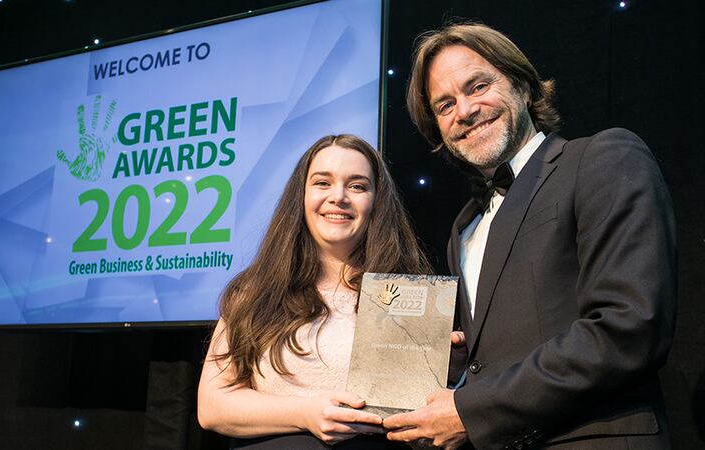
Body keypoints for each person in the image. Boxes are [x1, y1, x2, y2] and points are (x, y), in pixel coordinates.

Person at [384, 23, 677, 449]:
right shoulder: (462, 227)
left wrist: (471, 409)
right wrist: (454, 364)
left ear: (522, 86)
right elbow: (500, 353)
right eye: (444, 105)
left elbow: (629, 327)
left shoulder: (602, 158)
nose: (464, 111)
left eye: (477, 86)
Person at [197, 134, 436, 449]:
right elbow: (212, 406)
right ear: (301, 196)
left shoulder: (408, 291)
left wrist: (444, 368)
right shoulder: (255, 291)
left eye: (357, 186)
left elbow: (423, 421)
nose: (339, 197)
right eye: (322, 183)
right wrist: (305, 412)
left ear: (378, 201)